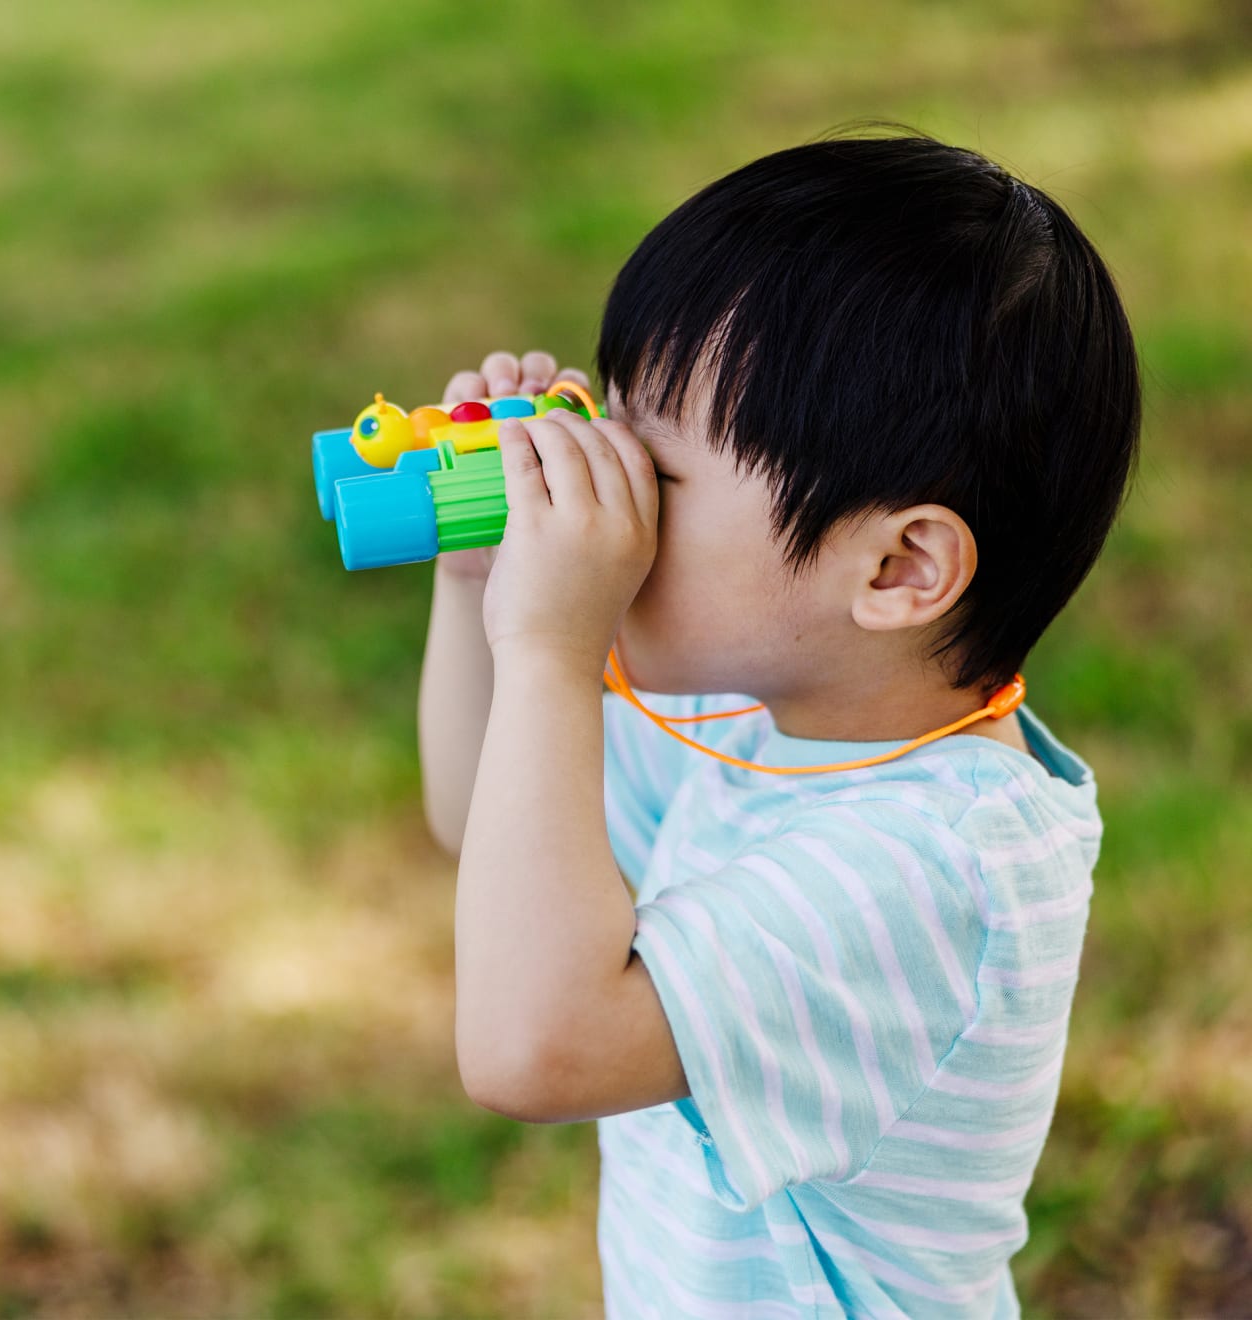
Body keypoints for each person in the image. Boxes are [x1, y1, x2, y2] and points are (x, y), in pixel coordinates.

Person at [417, 126, 1141, 1318]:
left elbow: (531, 1045)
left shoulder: (927, 866)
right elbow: (470, 818)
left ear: (900, 569)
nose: (615, 496)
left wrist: (549, 651)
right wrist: (476, 586)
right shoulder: (766, 720)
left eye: (662, 472)